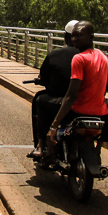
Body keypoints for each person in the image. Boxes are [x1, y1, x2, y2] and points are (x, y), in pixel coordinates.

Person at [33, 20, 108, 159]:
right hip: (100, 113)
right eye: (74, 36)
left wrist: (54, 126)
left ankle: (42, 144)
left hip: (77, 110)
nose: (75, 39)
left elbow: (71, 95)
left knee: (41, 101)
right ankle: (98, 149)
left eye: (79, 35)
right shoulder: (102, 57)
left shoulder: (78, 59)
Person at [28, 20, 81, 158]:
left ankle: (41, 144)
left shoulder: (55, 55)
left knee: (40, 101)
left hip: (61, 101)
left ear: (66, 36)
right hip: (86, 102)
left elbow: (44, 78)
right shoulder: (94, 56)